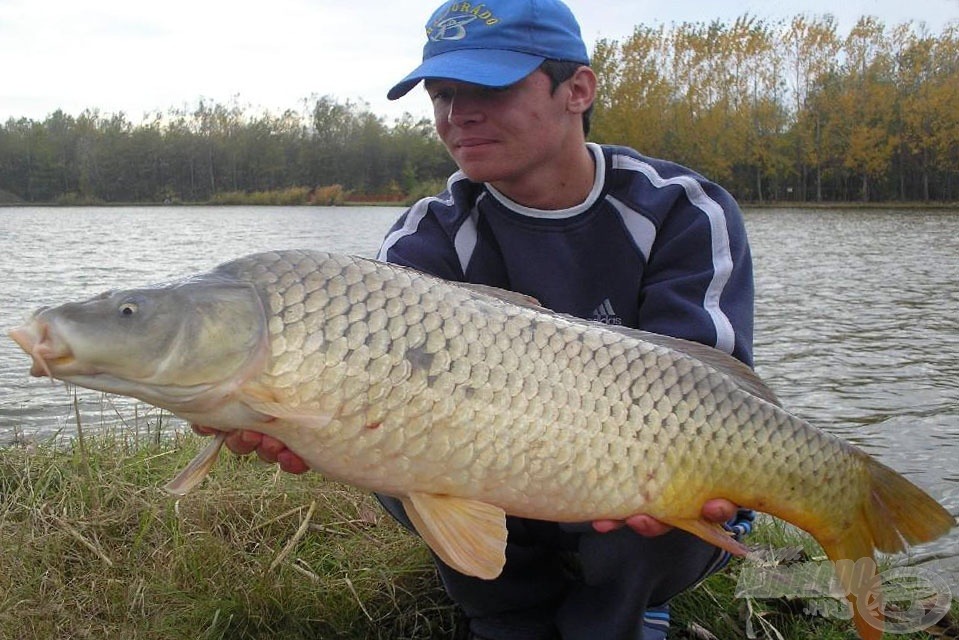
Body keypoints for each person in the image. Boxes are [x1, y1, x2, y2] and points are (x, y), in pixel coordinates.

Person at [196, 1, 756, 637]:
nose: (458, 116)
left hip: (641, 473)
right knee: (396, 447)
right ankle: (507, 617)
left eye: (488, 88)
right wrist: (277, 412)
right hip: (497, 469)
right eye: (442, 94)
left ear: (578, 89)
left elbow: (710, 391)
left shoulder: (681, 209)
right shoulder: (426, 237)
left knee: (662, 481)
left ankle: (624, 614)